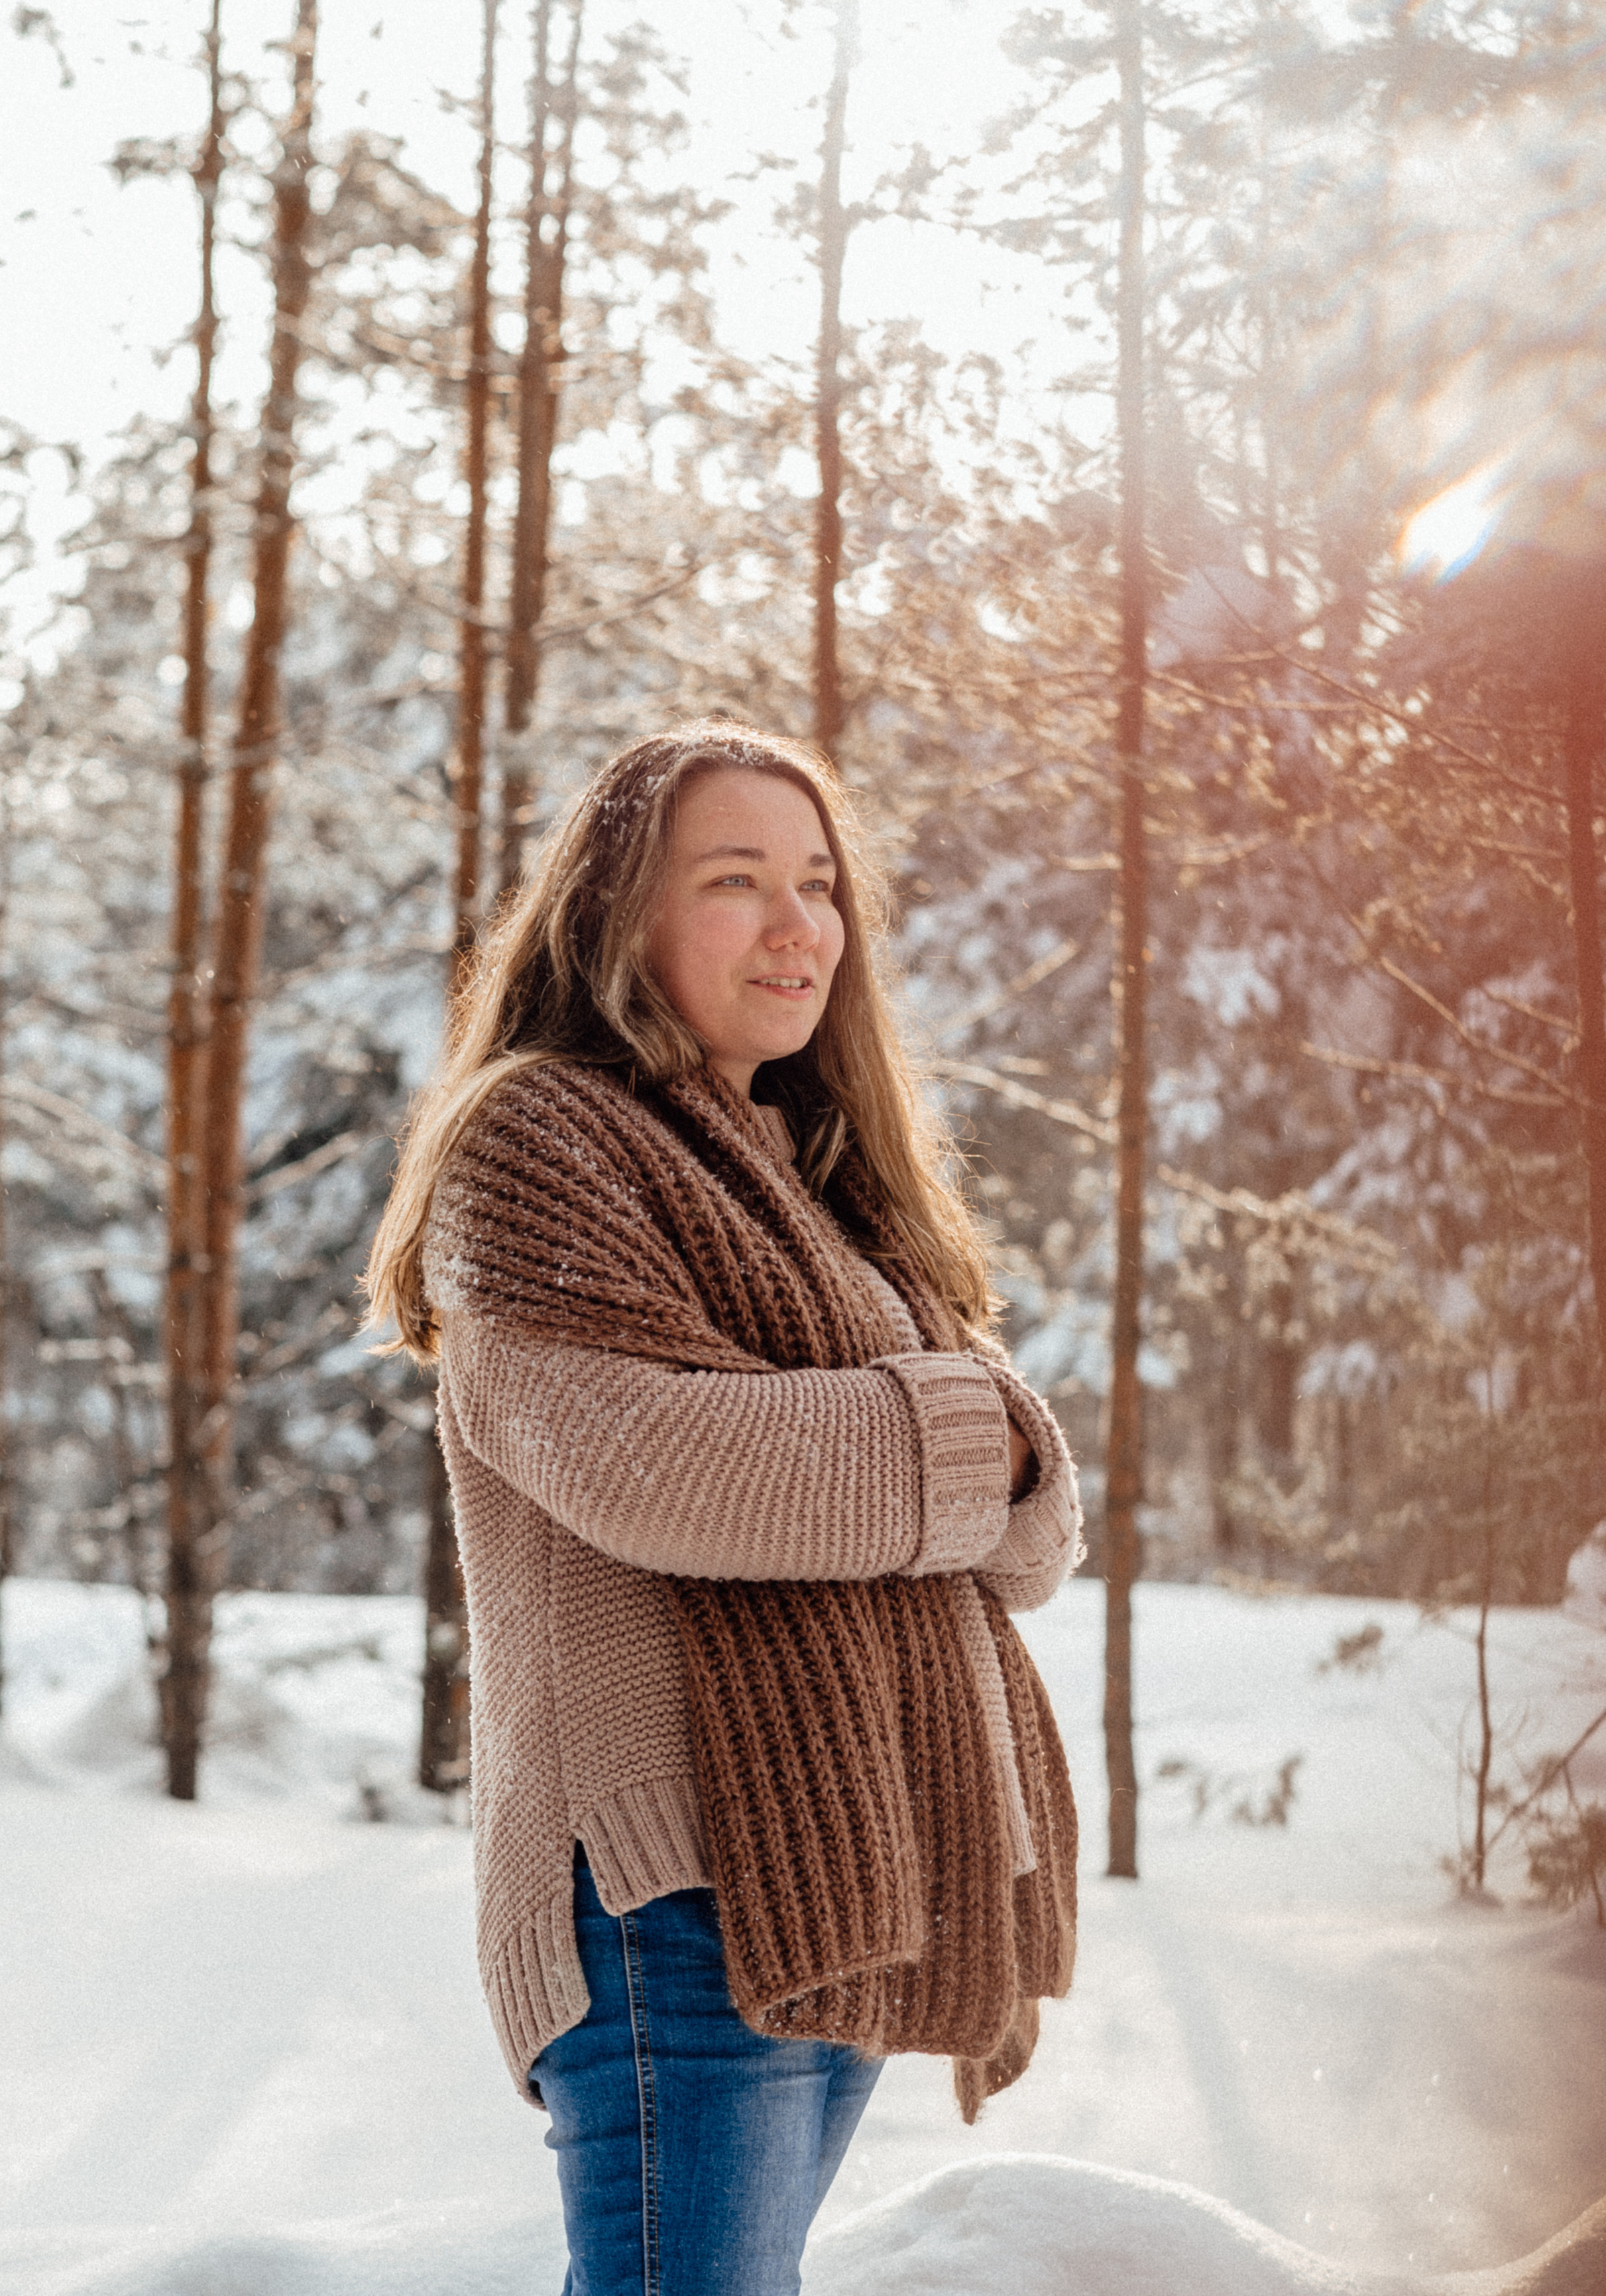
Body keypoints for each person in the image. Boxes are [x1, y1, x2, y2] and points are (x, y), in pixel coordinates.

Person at [365, 724, 1082, 2296]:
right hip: (664, 1888)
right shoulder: (535, 1144)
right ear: (617, 914)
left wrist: (964, 1460)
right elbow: (671, 1470)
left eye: (818, 884)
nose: (795, 926)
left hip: (849, 1856)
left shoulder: (832, 1179)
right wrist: (977, 1431)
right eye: (736, 881)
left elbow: (1026, 1538)